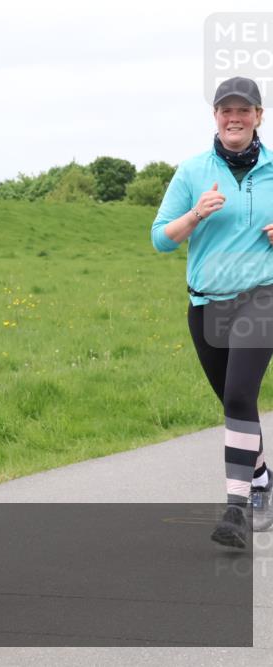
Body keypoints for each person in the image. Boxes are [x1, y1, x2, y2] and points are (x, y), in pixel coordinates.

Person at [151, 76, 273, 547]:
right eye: (226, 110)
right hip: (206, 303)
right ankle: (262, 480)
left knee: (241, 395)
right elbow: (161, 238)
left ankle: (235, 512)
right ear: (216, 117)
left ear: (259, 116)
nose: (234, 118)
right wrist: (196, 214)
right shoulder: (193, 171)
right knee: (232, 403)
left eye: (244, 110)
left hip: (263, 295)